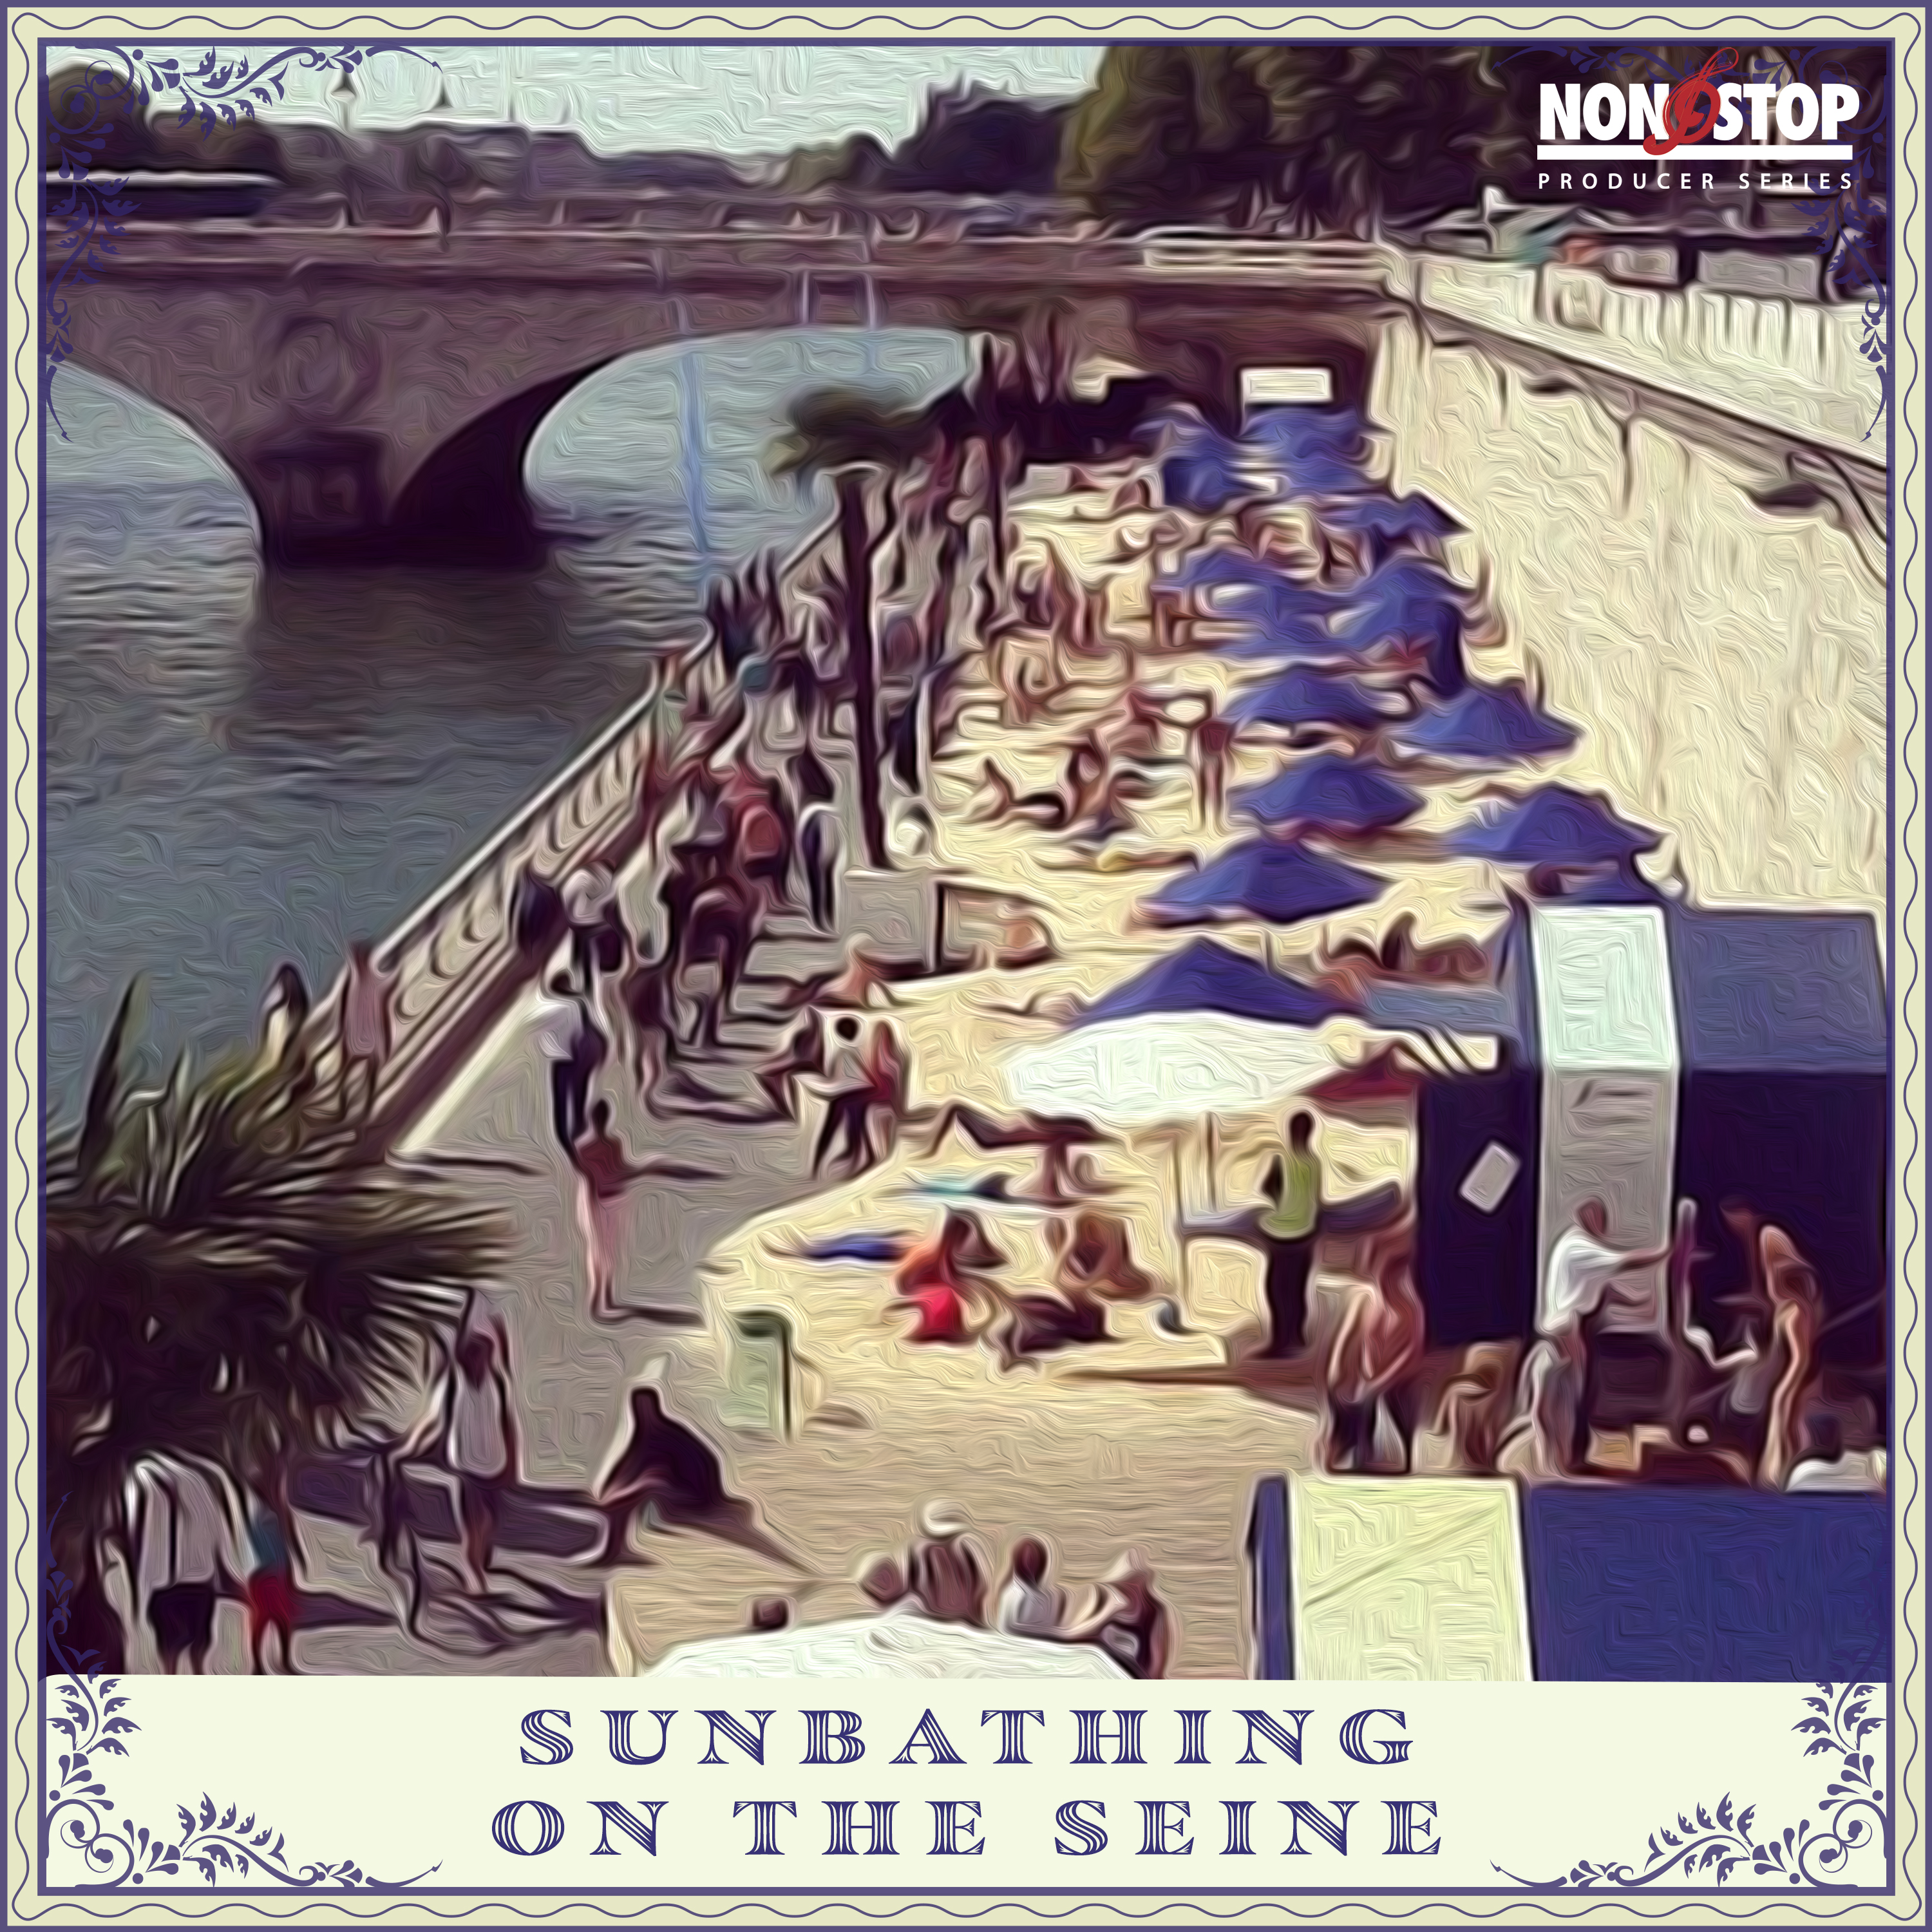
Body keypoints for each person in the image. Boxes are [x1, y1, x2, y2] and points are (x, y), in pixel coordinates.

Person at [1517, 1200, 1672, 1476]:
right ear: (1585, 1218)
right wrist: (1664, 1251)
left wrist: (1633, 1301)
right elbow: (1626, 1261)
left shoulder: (1581, 1250)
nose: (1603, 1226)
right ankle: (1558, 1461)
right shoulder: (1578, 1246)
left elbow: (1604, 1287)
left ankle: (1565, 1459)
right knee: (1562, 1399)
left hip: (1571, 1329)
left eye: (1604, 1219)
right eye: (1599, 1218)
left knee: (1570, 1397)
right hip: (1564, 1331)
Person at [1325, 1253, 1427, 1474]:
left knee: (1372, 1397)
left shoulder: (1411, 1311)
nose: (1389, 1286)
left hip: (1396, 1377)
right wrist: (1340, 1369)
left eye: (1395, 1281)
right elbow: (1347, 1337)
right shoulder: (1366, 1300)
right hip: (1366, 1372)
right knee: (1346, 1394)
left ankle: (1385, 1454)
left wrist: (1379, 1381)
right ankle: (1350, 1450)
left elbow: (1407, 1356)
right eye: (1384, 1280)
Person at [134, 1458, 236, 1676]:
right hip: (173, 1586)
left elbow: (217, 1534)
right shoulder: (146, 1484)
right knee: (175, 1652)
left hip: (191, 1585)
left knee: (191, 1651)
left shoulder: (201, 1484)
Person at [447, 1316, 516, 1590]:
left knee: (491, 1517)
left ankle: (480, 1561)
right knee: (473, 1518)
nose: (481, 1361)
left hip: (493, 1461)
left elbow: (507, 1422)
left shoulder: (497, 1382)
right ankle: (472, 1571)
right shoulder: (459, 1382)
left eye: (486, 1356)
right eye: (477, 1356)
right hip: (466, 1464)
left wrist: (512, 1457)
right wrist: (466, 1315)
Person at [1258, 1112, 1323, 1359]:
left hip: (1280, 1233)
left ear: (1290, 1132)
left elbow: (1267, 1187)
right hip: (1306, 1233)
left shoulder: (1281, 1159)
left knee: (1277, 1287)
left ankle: (1280, 1342)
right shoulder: (1314, 1163)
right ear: (1310, 1133)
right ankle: (1296, 1336)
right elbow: (1318, 1200)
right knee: (1297, 1286)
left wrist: (1278, 1204)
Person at [907, 1504, 991, 1625]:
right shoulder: (925, 1549)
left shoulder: (963, 1546)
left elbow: (979, 1581)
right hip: (947, 1611)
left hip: (953, 1611)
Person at [339, 940, 396, 1115]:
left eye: (359, 958)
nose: (357, 962)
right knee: (350, 1070)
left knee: (369, 1070)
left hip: (369, 1034)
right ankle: (346, 1103)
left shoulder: (371, 983)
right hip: (358, 1034)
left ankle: (366, 1105)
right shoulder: (354, 983)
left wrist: (387, 1037)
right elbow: (345, 1012)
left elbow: (384, 1011)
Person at [242, 1504, 298, 1676]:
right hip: (274, 1575)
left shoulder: (266, 1523)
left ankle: (269, 1662)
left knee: (267, 1623)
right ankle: (278, 1661)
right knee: (276, 1622)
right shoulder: (270, 1525)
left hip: (272, 1575)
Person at [993, 1537, 1066, 1641]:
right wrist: (1053, 1632)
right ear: (1019, 1563)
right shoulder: (1012, 1593)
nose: (1030, 1564)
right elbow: (1007, 1629)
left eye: (1035, 1559)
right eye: (1027, 1560)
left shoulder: (1052, 1597)